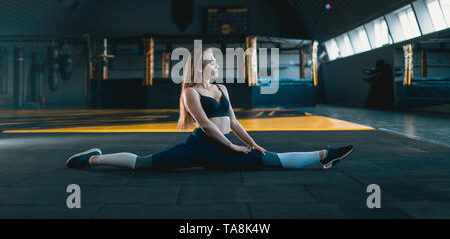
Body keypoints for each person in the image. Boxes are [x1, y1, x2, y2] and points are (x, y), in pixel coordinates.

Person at [66, 47, 353, 171]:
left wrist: (252, 144)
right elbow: (204, 125)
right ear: (201, 66)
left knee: (270, 159)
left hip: (225, 150)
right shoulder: (191, 92)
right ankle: (91, 160)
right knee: (143, 165)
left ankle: (324, 155)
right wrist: (233, 147)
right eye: (212, 61)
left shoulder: (222, 89)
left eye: (216, 60)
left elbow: (236, 123)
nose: (217, 64)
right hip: (200, 147)